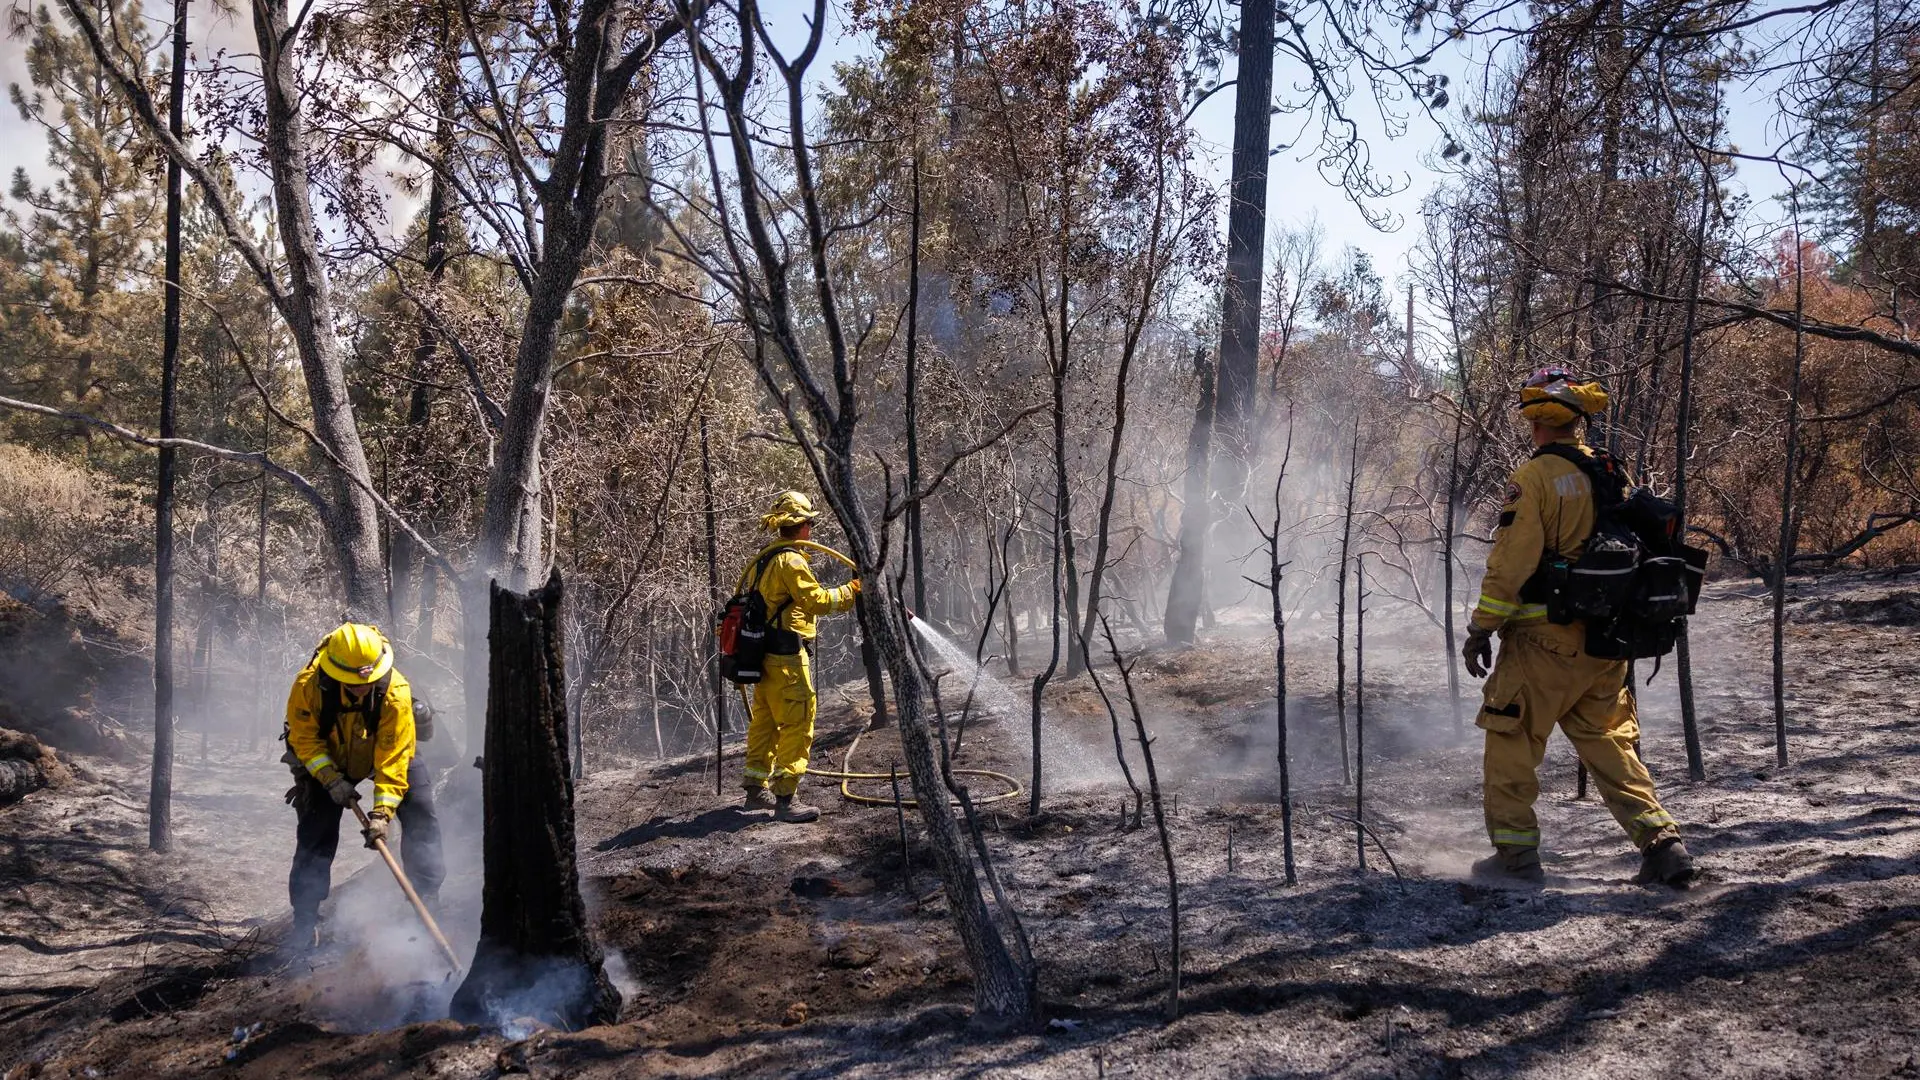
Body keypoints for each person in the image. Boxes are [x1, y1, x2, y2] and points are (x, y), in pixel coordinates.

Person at [1461, 368, 1695, 887]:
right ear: (1578, 420)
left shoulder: (1536, 477)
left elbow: (1510, 563)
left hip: (1546, 640)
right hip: (1607, 640)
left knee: (1510, 736)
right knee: (1609, 740)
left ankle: (1516, 859)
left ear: (1535, 420)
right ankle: (1663, 845)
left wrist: (1482, 627)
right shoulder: (1611, 469)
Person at [281, 623, 444, 946]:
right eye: (354, 683)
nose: (362, 687)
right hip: (329, 757)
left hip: (380, 751)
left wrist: (382, 814)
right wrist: (330, 780)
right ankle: (305, 921)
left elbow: (394, 759)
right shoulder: (309, 685)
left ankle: (426, 901)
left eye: (368, 681)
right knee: (315, 834)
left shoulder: (395, 692)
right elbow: (305, 740)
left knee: (422, 814)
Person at [740, 491, 860, 823]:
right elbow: (817, 602)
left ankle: (755, 790)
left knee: (765, 722)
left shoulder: (767, 557)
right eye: (810, 522)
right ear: (801, 525)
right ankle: (785, 801)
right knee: (798, 721)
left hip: (764, 657)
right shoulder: (790, 560)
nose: (812, 528)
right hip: (788, 656)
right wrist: (853, 590)